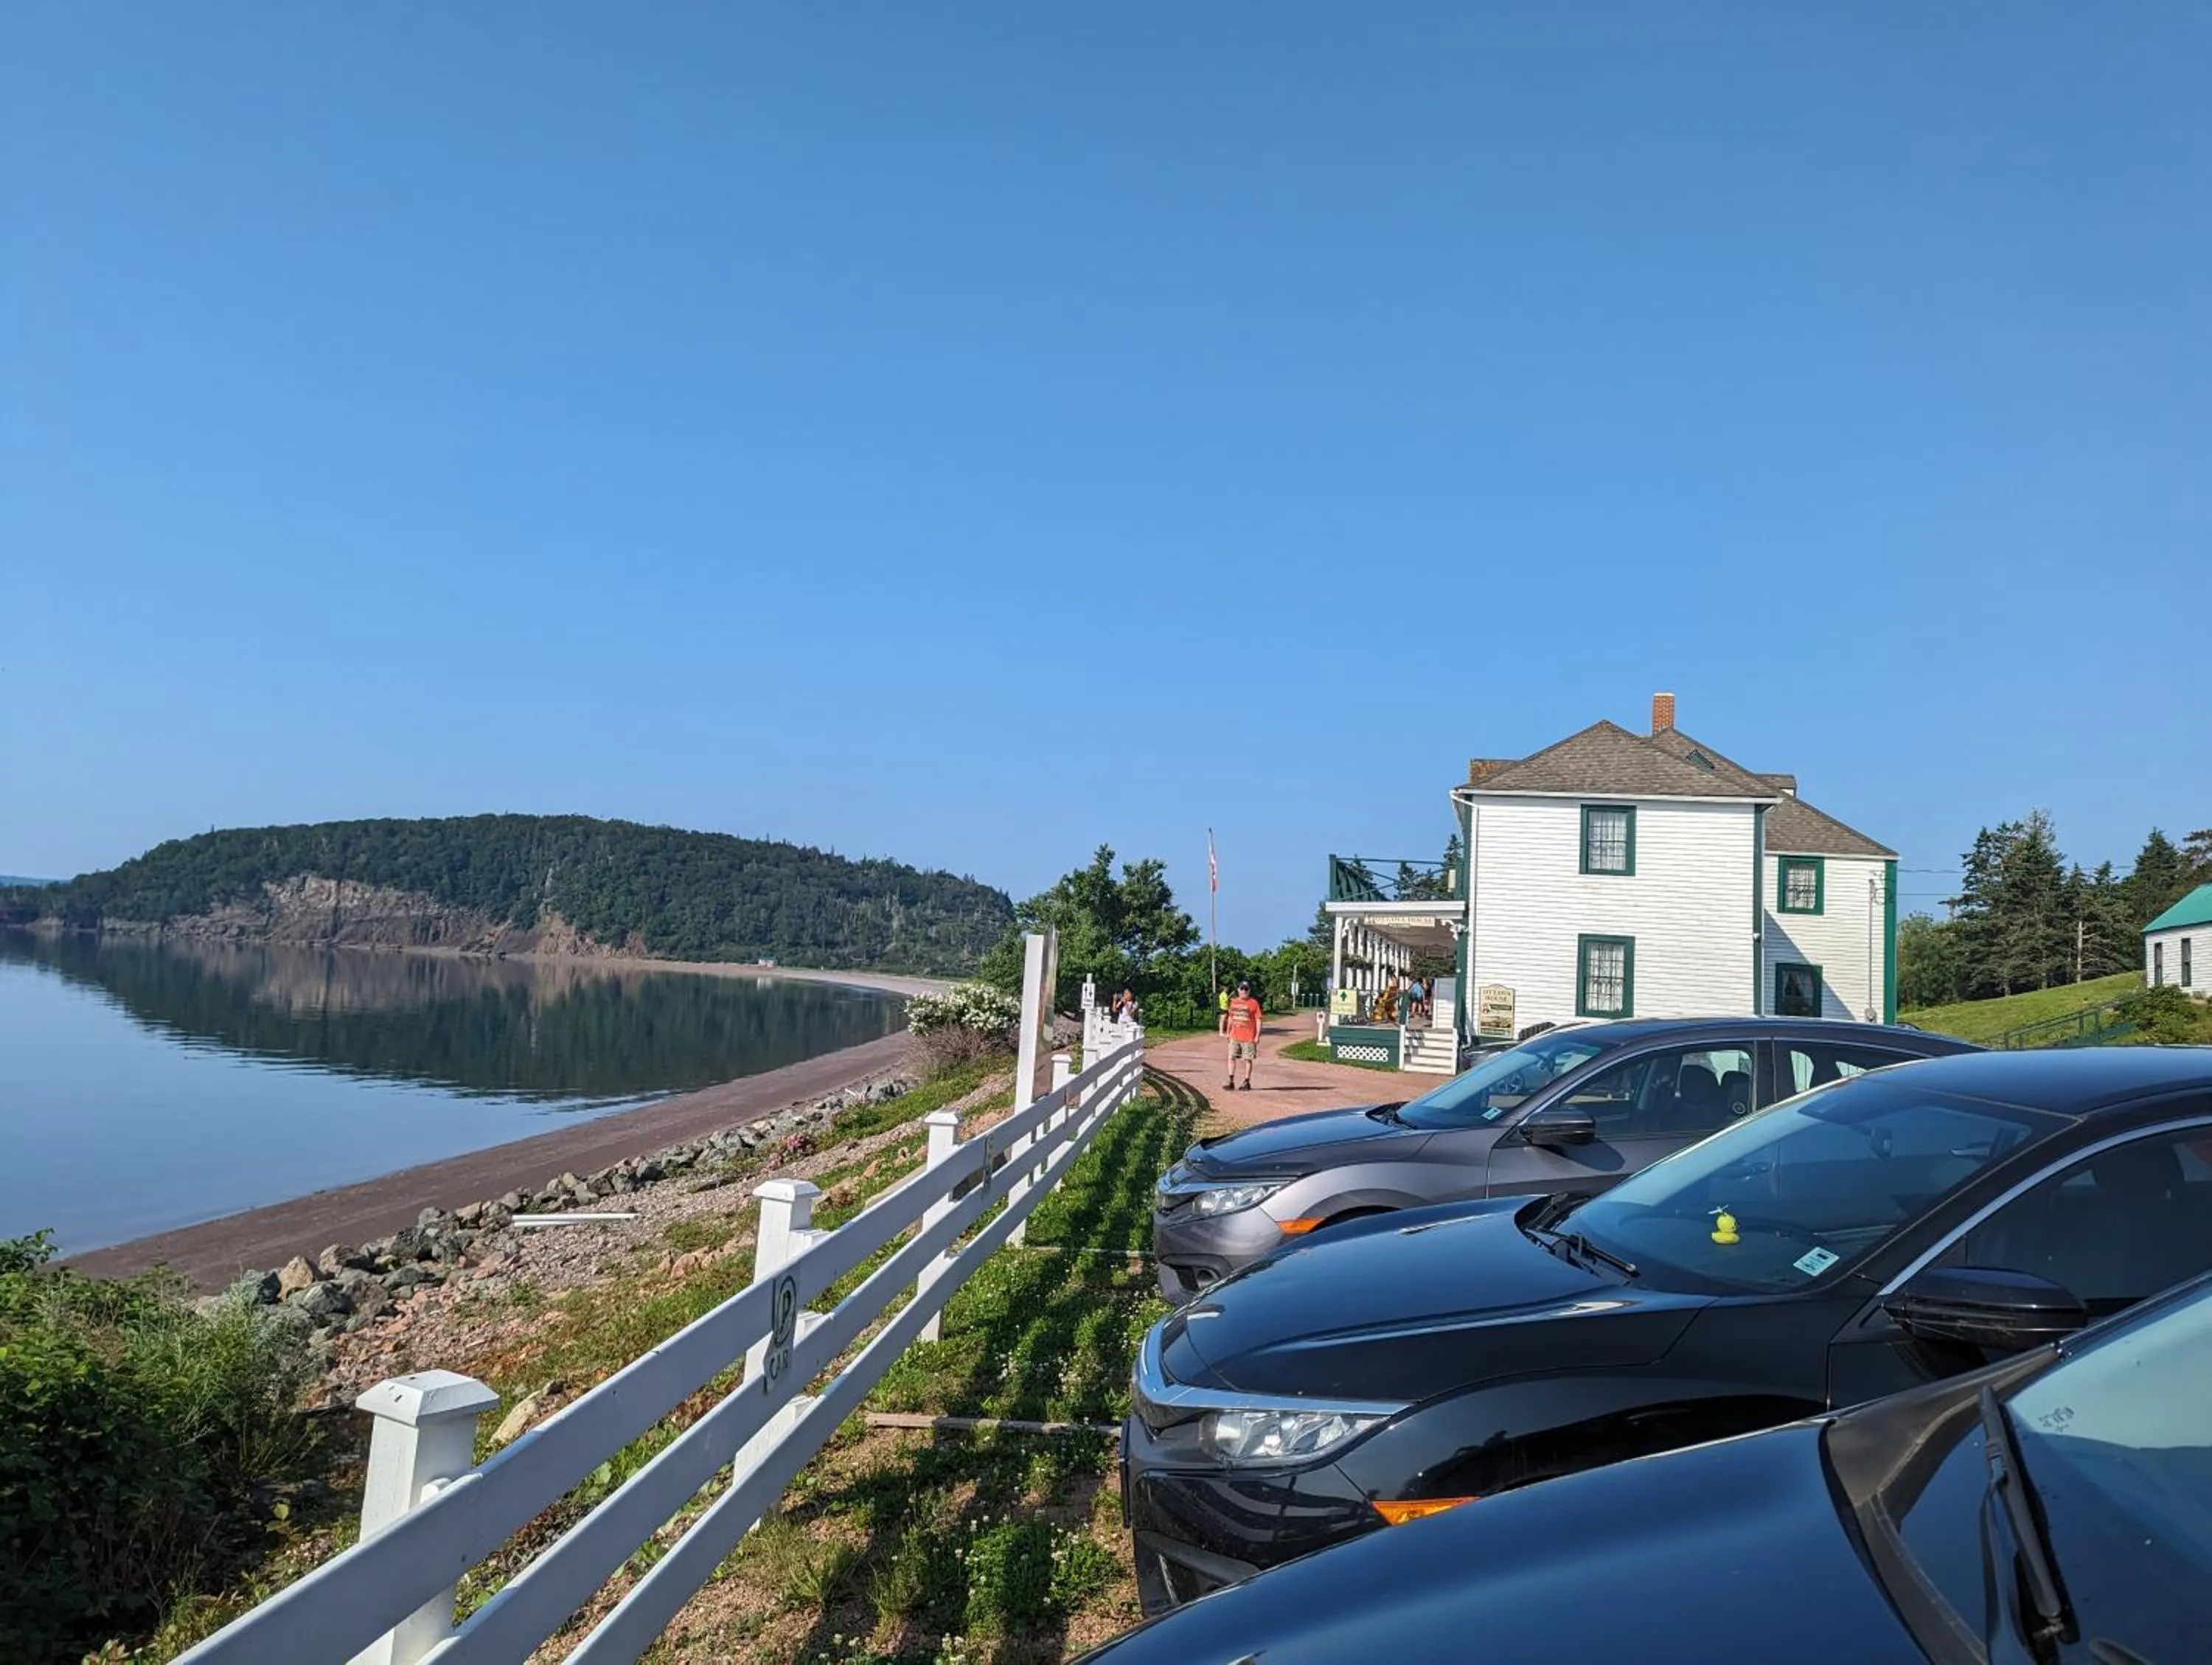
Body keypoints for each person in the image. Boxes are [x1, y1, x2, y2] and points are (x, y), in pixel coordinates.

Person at [1224, 979, 1264, 1091]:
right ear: (1238, 990)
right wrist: (1228, 1032)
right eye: (1242, 988)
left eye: (1246, 989)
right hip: (1234, 1035)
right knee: (1231, 1057)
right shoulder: (1233, 1002)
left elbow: (1258, 1020)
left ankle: (1247, 1081)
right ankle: (1231, 1080)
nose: (1244, 991)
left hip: (1248, 1037)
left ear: (1249, 990)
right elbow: (1231, 1017)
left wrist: (1257, 1035)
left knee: (1248, 1059)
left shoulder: (1254, 1003)